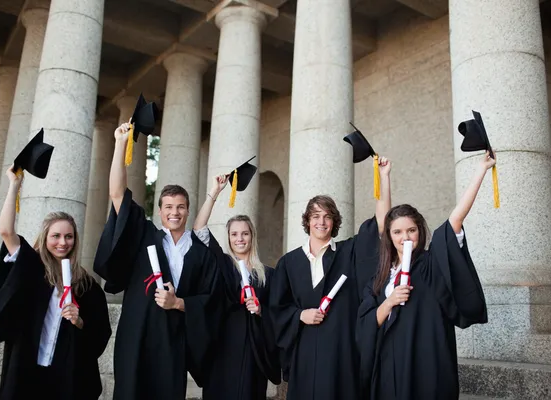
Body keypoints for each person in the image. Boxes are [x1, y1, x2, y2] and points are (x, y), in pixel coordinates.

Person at [93, 122, 221, 400]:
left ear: (188, 210)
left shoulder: (198, 251)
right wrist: (120, 145)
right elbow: (117, 194)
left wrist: (179, 303)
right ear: (160, 211)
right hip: (137, 330)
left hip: (172, 336)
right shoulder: (144, 235)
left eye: (181, 207)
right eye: (169, 207)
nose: (174, 212)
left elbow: (211, 298)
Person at [356, 152, 492, 400]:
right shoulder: (380, 277)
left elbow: (455, 221)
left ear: (420, 231)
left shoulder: (431, 264)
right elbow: (366, 324)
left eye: (411, 230)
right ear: (389, 236)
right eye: (397, 232)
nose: (405, 237)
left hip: (426, 365)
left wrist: (481, 170)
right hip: (388, 367)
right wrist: (389, 301)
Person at [0, 167, 111, 400]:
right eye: (56, 236)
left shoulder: (85, 284)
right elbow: (7, 232)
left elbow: (100, 333)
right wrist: (14, 185)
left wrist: (79, 321)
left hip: (67, 374)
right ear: (45, 237)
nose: (62, 242)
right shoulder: (31, 267)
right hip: (29, 368)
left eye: (69, 236)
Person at [270, 157, 392, 400]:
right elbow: (276, 309)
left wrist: (384, 177)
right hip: (304, 353)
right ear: (307, 221)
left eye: (327, 216)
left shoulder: (349, 253)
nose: (321, 222)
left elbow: (381, 224)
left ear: (334, 221)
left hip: (341, 353)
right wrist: (300, 315)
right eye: (315, 216)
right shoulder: (289, 263)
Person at [193, 174, 281, 400]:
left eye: (244, 233)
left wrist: (261, 311)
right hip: (224, 346)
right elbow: (199, 229)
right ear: (229, 237)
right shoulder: (221, 264)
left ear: (252, 236)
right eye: (234, 234)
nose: (239, 239)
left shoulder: (267, 275)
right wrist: (215, 192)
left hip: (254, 351)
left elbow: (277, 313)